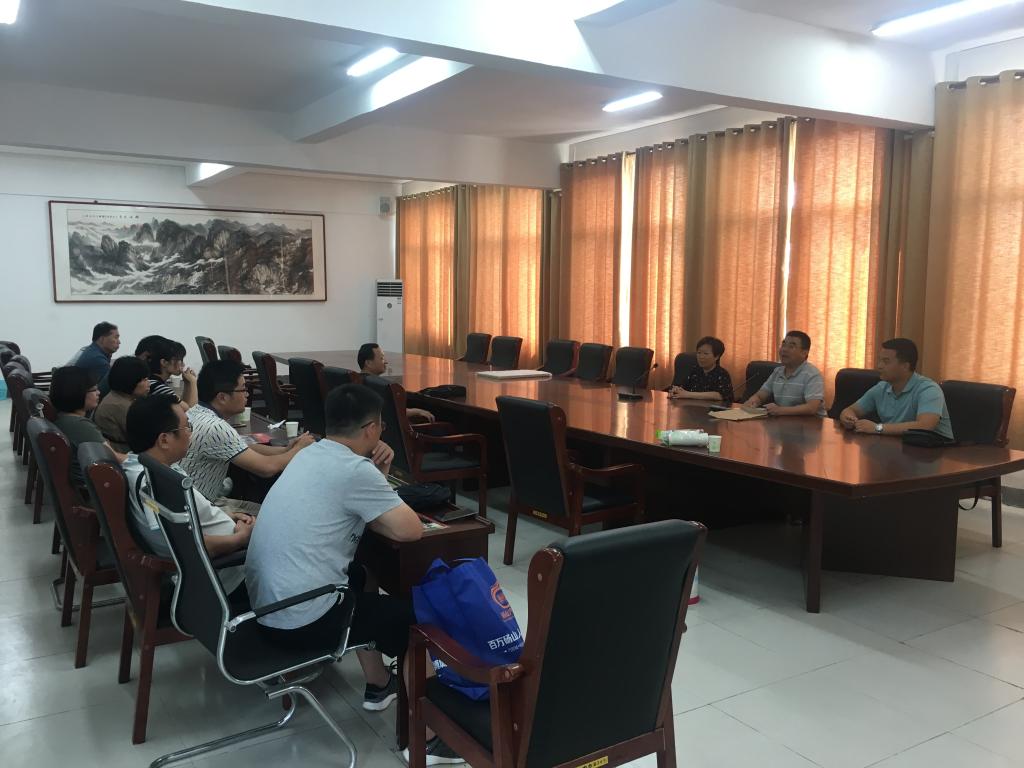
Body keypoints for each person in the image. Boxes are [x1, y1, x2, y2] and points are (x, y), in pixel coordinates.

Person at [245, 384, 461, 763]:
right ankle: (427, 740)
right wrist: (377, 476)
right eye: (381, 426)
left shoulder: (309, 453)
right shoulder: (353, 469)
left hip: (264, 608)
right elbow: (409, 530)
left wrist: (376, 476)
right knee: (413, 621)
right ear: (371, 429)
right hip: (301, 620)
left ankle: (378, 684)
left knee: (360, 575)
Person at [123, 395, 253, 597]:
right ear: (164, 439)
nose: (190, 434)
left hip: (227, 559)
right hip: (227, 576)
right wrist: (240, 539)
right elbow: (190, 545)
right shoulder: (157, 484)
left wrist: (228, 515)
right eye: (186, 427)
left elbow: (186, 522)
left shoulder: (144, 467)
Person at [179, 359, 314, 515]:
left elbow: (242, 448)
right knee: (276, 515)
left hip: (194, 501)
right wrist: (299, 449)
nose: (247, 394)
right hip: (201, 511)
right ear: (222, 397)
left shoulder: (196, 411)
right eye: (243, 389)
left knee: (269, 511)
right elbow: (267, 468)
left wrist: (285, 450)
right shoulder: (215, 427)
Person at [840, 338, 955, 439]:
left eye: (886, 361)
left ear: (905, 366)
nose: (879, 366)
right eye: (879, 360)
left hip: (937, 451)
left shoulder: (928, 389)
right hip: (899, 447)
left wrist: (878, 428)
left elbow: (925, 426)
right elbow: (850, 410)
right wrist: (848, 418)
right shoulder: (881, 388)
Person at [49, 366, 125, 484]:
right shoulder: (80, 426)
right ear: (77, 392)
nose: (99, 393)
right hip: (97, 484)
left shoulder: (63, 417)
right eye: (94, 390)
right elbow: (116, 458)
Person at [743, 331, 826, 417]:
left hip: (812, 423)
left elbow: (812, 408)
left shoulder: (812, 374)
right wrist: (753, 401)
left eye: (791, 346)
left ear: (804, 353)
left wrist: (780, 410)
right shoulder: (777, 372)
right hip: (785, 421)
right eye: (783, 345)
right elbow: (760, 395)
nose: (784, 349)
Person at [358, 342, 434, 423]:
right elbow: (392, 411)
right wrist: (417, 411)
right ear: (368, 363)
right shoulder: (379, 386)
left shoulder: (358, 381)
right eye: (382, 358)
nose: (386, 362)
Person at [93, 356, 151, 453]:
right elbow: (146, 436)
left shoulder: (119, 397)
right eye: (144, 380)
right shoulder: (119, 405)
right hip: (124, 454)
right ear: (130, 380)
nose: (148, 384)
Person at [668, 336, 734, 402]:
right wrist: (676, 390)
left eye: (706, 354)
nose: (701, 357)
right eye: (699, 353)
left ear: (716, 356)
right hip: (691, 406)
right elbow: (683, 387)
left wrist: (688, 394)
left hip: (711, 408)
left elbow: (720, 395)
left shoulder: (722, 374)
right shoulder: (695, 370)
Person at [67, 321, 120, 393]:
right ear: (102, 339)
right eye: (116, 337)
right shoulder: (97, 359)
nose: (119, 342)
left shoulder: (91, 351)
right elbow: (109, 390)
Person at [147, 337, 198, 408]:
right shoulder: (159, 388)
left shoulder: (153, 382)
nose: (183, 364)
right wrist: (193, 382)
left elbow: (185, 405)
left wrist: (187, 383)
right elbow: (190, 412)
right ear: (164, 362)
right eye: (180, 359)